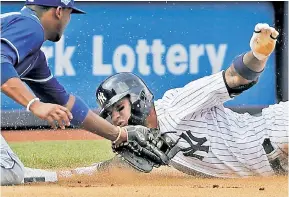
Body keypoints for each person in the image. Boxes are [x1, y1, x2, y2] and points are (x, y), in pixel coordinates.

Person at [49, 22, 287, 179]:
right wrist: (49, 176)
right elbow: (106, 171)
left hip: (276, 131)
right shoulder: (144, 144)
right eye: (110, 114)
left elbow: (234, 78)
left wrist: (257, 56)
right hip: (271, 166)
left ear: (139, 98)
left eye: (119, 108)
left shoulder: (176, 104)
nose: (116, 119)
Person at [0, 0, 144, 185]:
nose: (69, 20)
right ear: (59, 11)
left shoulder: (34, 56)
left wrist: (119, 134)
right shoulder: (30, 26)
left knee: (13, 170)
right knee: (11, 171)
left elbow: (66, 103)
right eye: (69, 13)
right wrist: (35, 105)